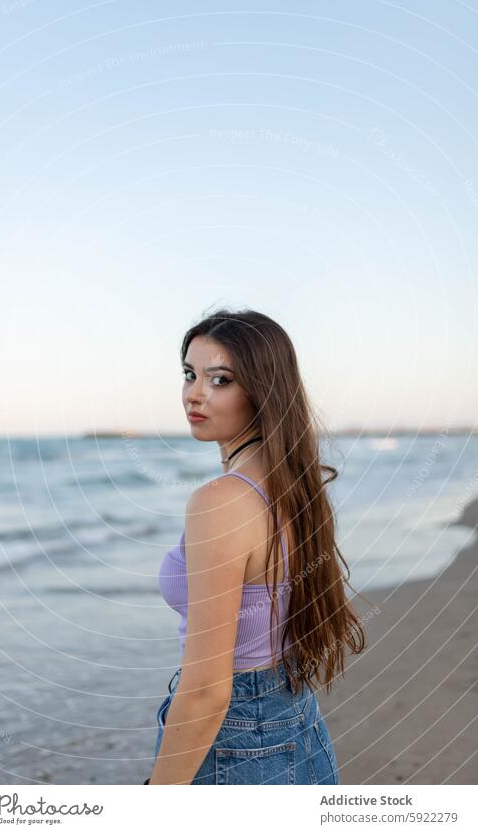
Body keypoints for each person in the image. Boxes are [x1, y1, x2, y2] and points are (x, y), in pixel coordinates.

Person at [146, 307, 369, 785]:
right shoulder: (294, 487)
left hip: (239, 744)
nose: (195, 393)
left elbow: (207, 691)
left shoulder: (221, 502)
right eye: (190, 374)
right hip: (297, 724)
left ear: (262, 390)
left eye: (220, 379)